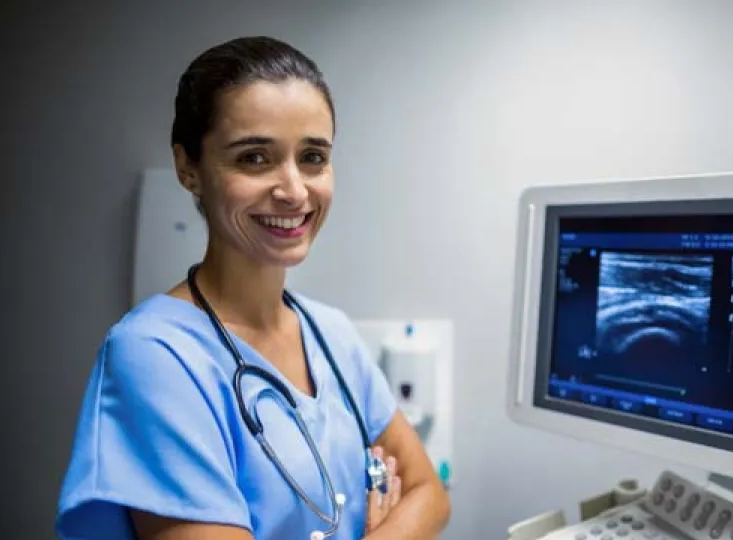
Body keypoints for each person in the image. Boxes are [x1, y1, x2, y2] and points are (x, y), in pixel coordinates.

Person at [55, 36, 451, 540]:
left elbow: (430, 494)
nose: (294, 190)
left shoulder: (330, 332)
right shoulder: (155, 355)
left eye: (312, 156)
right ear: (188, 168)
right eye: (255, 159)